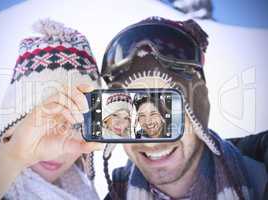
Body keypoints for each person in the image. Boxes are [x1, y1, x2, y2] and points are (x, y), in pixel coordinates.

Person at [101, 16, 267, 200]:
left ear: (198, 114)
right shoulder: (109, 194)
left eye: (168, 110)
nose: (151, 142)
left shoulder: (260, 180)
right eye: (131, 115)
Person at [0, 19, 102, 200]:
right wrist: (14, 156)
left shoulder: (81, 188)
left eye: (77, 126)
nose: (58, 151)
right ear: (13, 120)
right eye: (45, 122)